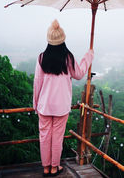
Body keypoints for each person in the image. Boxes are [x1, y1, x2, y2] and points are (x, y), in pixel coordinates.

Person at [33, 19, 94, 177]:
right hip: (61, 106)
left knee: (44, 136)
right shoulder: (68, 58)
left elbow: (37, 84)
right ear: (62, 40)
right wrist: (88, 56)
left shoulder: (41, 58)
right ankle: (55, 167)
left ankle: (46, 167)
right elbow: (79, 74)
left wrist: (35, 104)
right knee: (57, 137)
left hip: (44, 105)